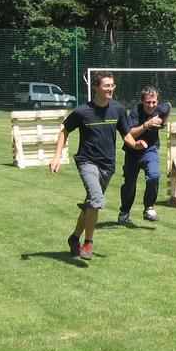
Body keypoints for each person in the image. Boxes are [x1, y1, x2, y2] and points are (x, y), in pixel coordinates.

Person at [50, 71, 129, 260]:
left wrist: (136, 144)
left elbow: (127, 135)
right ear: (95, 87)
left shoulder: (118, 110)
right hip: (87, 162)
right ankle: (88, 243)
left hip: (108, 165)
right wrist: (56, 156)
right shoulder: (82, 111)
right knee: (95, 199)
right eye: (106, 85)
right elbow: (64, 132)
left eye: (112, 85)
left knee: (91, 205)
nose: (111, 89)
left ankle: (74, 238)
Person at [119, 86, 171, 225]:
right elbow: (129, 133)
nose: (151, 105)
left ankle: (149, 208)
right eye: (148, 102)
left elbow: (169, 106)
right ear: (142, 101)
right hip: (132, 151)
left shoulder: (160, 108)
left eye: (154, 102)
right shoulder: (136, 111)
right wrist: (147, 124)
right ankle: (124, 212)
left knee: (154, 175)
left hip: (150, 149)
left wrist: (163, 122)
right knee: (129, 185)